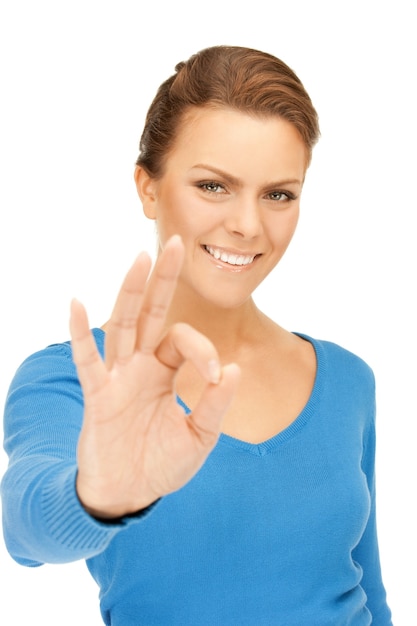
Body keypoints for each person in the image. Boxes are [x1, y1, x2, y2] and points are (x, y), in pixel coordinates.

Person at [1, 45, 392, 625]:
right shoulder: (74, 378)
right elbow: (25, 529)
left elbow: (368, 589)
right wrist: (99, 499)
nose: (248, 225)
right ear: (148, 188)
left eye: (279, 194)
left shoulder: (347, 380)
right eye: (213, 185)